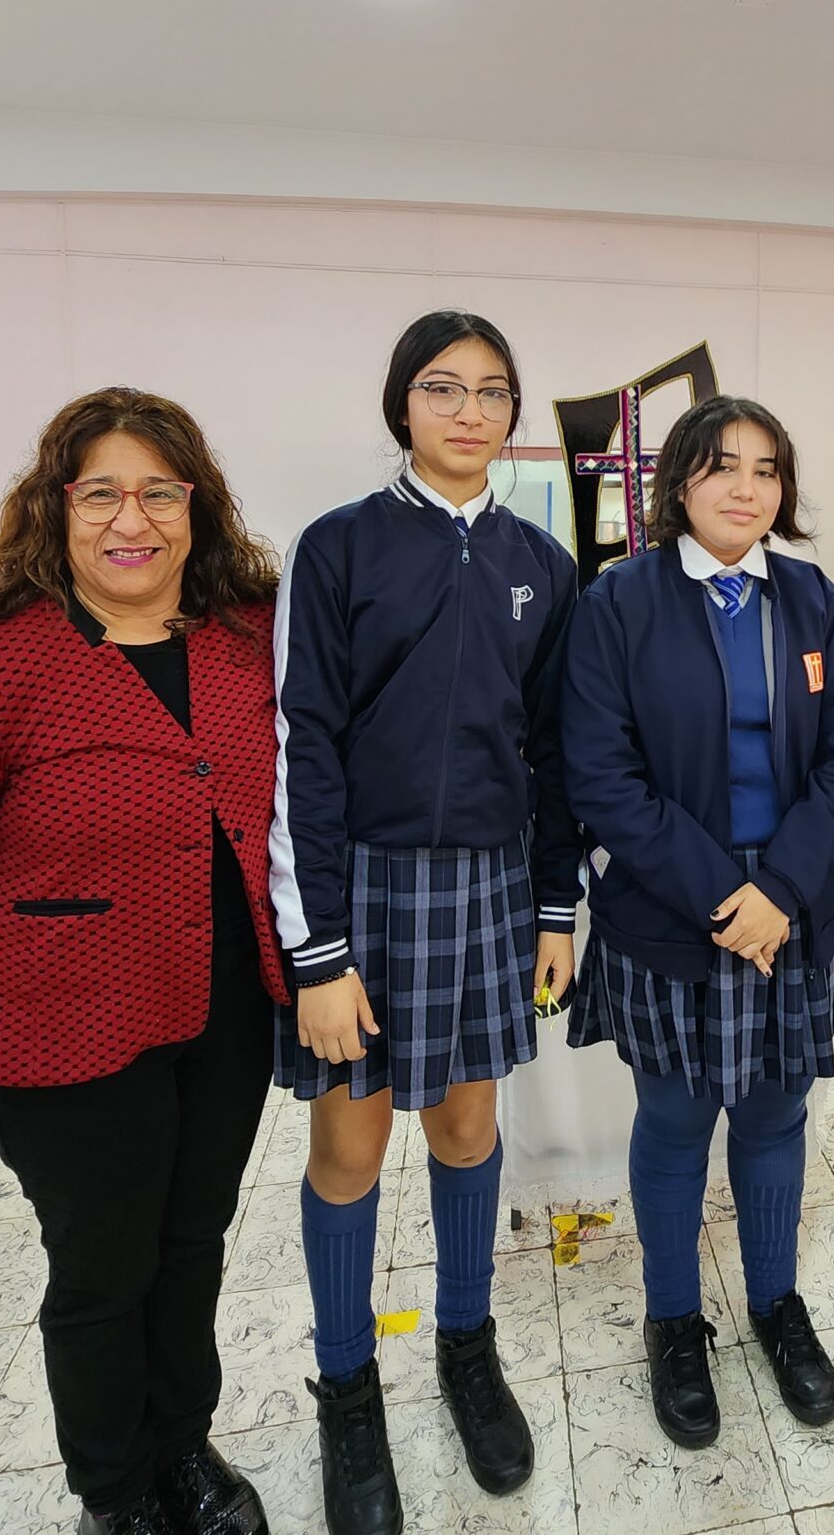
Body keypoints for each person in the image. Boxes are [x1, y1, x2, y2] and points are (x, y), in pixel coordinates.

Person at [0, 388, 284, 1535]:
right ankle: (115, 1493)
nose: (132, 519)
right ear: (59, 508)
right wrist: (16, 922)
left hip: (228, 1013)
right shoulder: (2, 663)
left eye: (160, 492)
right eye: (101, 495)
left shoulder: (247, 636)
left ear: (197, 506)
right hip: (68, 1025)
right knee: (103, 1271)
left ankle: (183, 1450)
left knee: (191, 1248)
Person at [273, 309, 580, 1535]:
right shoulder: (339, 546)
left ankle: (466, 1344)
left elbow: (555, 751)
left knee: (466, 1127)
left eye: (493, 392)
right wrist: (320, 952)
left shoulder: (541, 563)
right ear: (402, 404)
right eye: (443, 388)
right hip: (365, 888)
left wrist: (554, 901)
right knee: (349, 1151)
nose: (469, 411)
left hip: (492, 886)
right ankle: (347, 1391)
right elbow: (303, 747)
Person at [561, 395, 834, 1450]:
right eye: (721, 466)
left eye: (766, 469)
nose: (746, 488)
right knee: (674, 1118)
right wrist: (720, 898)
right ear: (679, 483)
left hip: (793, 902)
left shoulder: (812, 597)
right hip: (672, 903)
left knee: (778, 1116)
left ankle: (776, 1305)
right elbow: (601, 776)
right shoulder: (620, 600)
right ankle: (672, 1321)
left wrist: (780, 888)